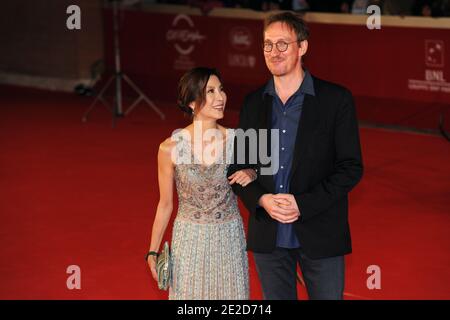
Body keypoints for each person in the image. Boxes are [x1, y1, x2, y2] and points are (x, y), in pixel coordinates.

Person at [228, 12, 363, 300]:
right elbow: (240, 167)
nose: (273, 52)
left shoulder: (335, 100)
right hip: (268, 236)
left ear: (302, 47)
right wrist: (261, 200)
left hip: (321, 232)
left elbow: (350, 167)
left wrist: (303, 204)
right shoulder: (254, 103)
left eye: (282, 44)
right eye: (267, 45)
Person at [146, 67, 255, 300]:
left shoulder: (238, 141)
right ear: (193, 103)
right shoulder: (169, 148)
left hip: (229, 239)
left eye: (221, 90)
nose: (221, 97)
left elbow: (265, 178)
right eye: (211, 91)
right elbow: (165, 204)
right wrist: (152, 251)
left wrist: (252, 172)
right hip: (189, 240)